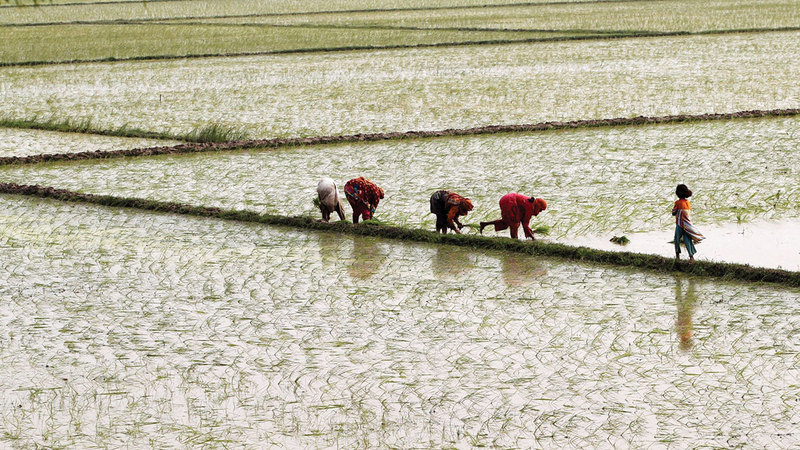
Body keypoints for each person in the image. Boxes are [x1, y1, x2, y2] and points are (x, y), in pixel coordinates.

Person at [479, 193, 547, 239]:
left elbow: (524, 222)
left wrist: (529, 231)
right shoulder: (530, 207)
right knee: (514, 223)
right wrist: (533, 238)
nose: (539, 212)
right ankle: (515, 240)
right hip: (509, 200)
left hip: (506, 199)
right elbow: (525, 225)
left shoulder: (530, 204)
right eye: (540, 210)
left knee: (506, 221)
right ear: (538, 206)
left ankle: (484, 224)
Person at [672, 184, 704, 262]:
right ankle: (691, 257)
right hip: (687, 225)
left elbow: (673, 212)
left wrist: (674, 210)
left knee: (677, 239)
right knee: (687, 240)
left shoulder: (677, 203)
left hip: (680, 224)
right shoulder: (687, 203)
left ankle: (677, 256)